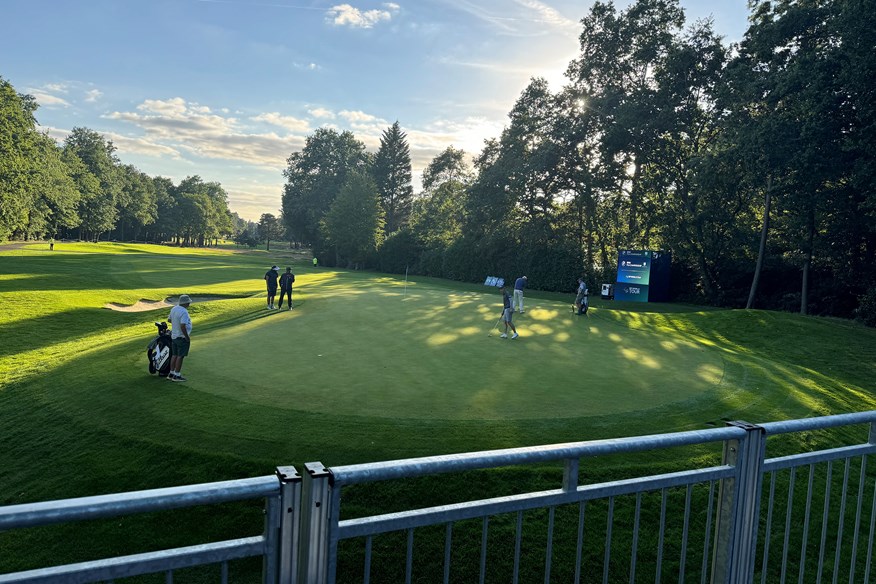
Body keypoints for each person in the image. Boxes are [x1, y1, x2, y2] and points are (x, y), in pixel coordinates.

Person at [168, 294, 193, 382]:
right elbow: (183, 326)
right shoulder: (184, 312)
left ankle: (171, 373)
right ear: (185, 303)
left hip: (174, 336)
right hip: (181, 337)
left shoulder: (174, 308)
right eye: (188, 302)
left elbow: (169, 320)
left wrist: (175, 325)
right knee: (180, 356)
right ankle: (177, 375)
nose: (189, 304)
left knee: (174, 355)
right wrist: (187, 337)